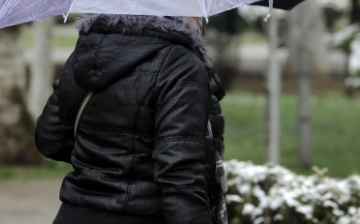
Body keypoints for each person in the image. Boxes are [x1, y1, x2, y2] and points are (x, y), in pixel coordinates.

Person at [35, 14, 226, 224]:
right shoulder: (180, 64)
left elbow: (50, 139)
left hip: (74, 214)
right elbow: (180, 176)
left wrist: (102, 160)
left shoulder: (87, 52)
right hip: (140, 215)